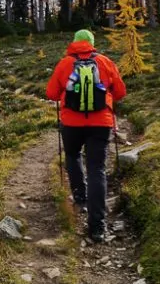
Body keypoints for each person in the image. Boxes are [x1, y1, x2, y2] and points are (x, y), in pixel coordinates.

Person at [45, 28, 127, 242]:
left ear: (74, 42)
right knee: (97, 169)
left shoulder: (64, 63)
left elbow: (51, 93)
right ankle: (97, 227)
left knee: (72, 156)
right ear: (92, 42)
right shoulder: (106, 62)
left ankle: (80, 196)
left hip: (71, 123)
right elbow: (120, 92)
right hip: (101, 123)